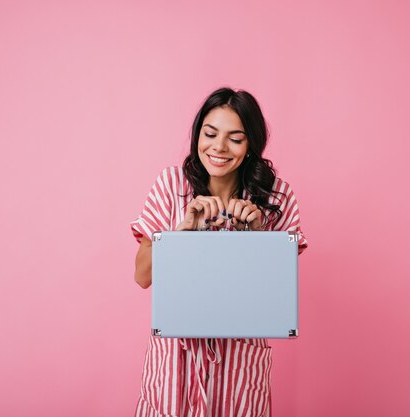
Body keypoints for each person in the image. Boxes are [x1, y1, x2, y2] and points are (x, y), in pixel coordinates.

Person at [129, 87, 308, 417]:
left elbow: (276, 301)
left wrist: (257, 240)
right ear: (198, 134)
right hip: (174, 366)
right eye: (210, 134)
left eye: (235, 138)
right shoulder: (171, 186)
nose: (219, 148)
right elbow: (142, 276)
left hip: (238, 368)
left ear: (251, 143)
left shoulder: (276, 198)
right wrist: (180, 236)